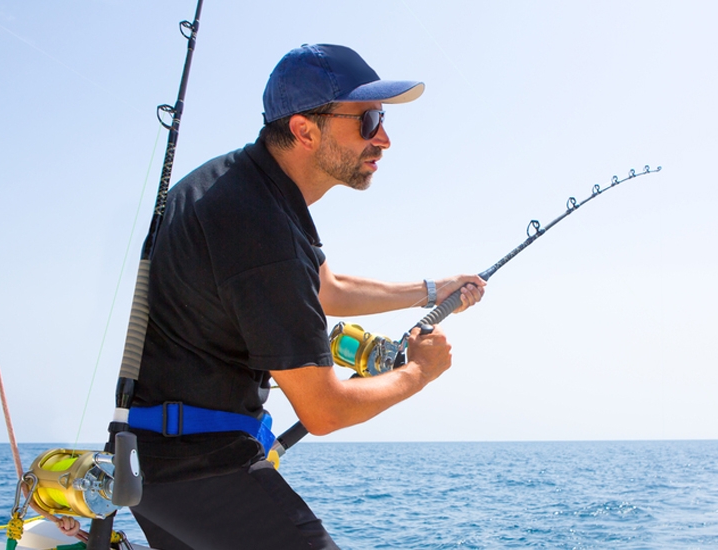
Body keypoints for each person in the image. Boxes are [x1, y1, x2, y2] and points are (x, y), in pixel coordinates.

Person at [126, 44, 485, 550]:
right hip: (203, 471)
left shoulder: (239, 184)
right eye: (367, 120)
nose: (383, 138)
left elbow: (327, 289)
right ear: (303, 130)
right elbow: (325, 410)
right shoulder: (262, 228)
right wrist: (419, 372)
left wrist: (431, 290)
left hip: (150, 465)